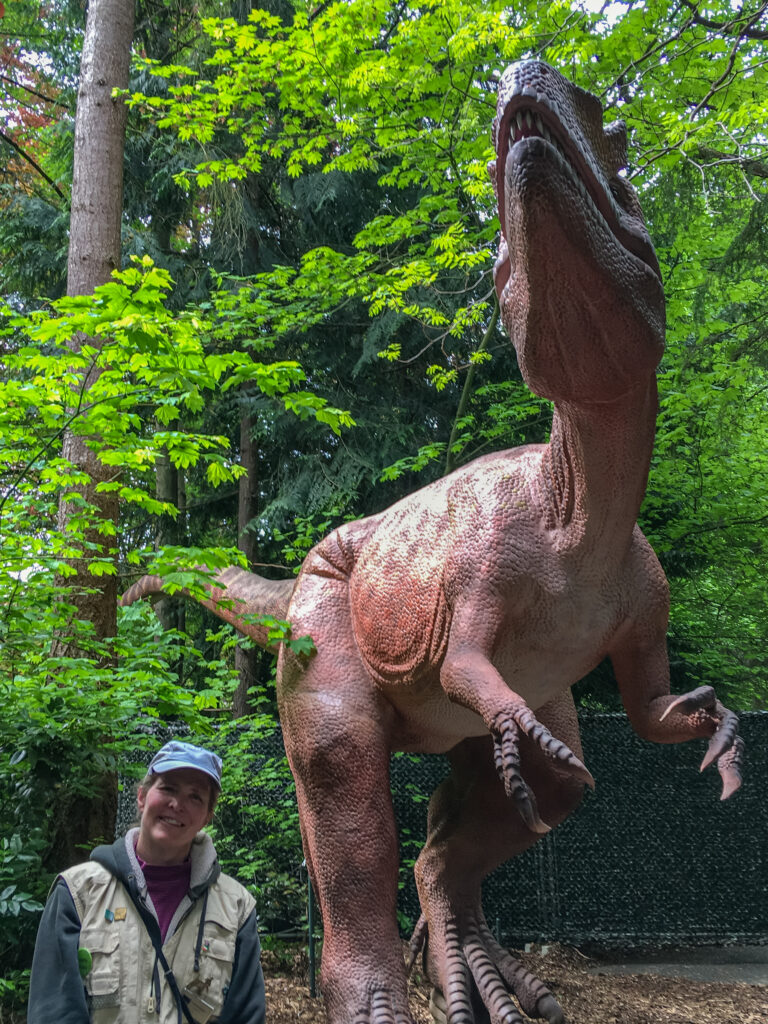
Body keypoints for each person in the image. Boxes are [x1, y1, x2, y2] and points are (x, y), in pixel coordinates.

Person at [28, 740, 265, 1024]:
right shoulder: (78, 894)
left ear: (207, 818)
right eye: (167, 788)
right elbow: (54, 1013)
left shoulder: (236, 908)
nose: (177, 804)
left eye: (195, 797)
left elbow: (246, 1017)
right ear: (141, 797)